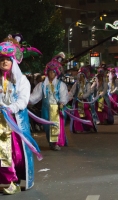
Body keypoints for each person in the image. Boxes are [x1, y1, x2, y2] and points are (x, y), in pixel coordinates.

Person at [0, 41, 42, 194]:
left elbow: (23, 101)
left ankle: (13, 180)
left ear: (13, 62)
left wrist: (9, 108)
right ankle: (6, 181)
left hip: (16, 122)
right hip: (0, 122)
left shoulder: (22, 80)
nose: (4, 62)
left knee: (16, 153)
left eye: (8, 59)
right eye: (1, 59)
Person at [29, 52, 69, 151]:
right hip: (45, 109)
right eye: (50, 72)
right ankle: (51, 143)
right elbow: (34, 97)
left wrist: (62, 103)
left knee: (56, 126)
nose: (52, 74)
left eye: (54, 72)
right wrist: (24, 100)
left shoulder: (61, 85)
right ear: (47, 72)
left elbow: (64, 97)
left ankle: (55, 143)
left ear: (57, 73)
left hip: (56, 109)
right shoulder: (42, 85)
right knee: (47, 127)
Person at [69, 67, 97, 133]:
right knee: (77, 115)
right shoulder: (76, 84)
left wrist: (82, 96)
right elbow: (72, 92)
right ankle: (78, 128)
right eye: (79, 75)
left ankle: (89, 127)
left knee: (87, 114)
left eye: (82, 75)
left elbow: (88, 92)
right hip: (77, 102)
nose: (80, 77)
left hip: (85, 102)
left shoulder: (87, 84)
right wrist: (68, 97)